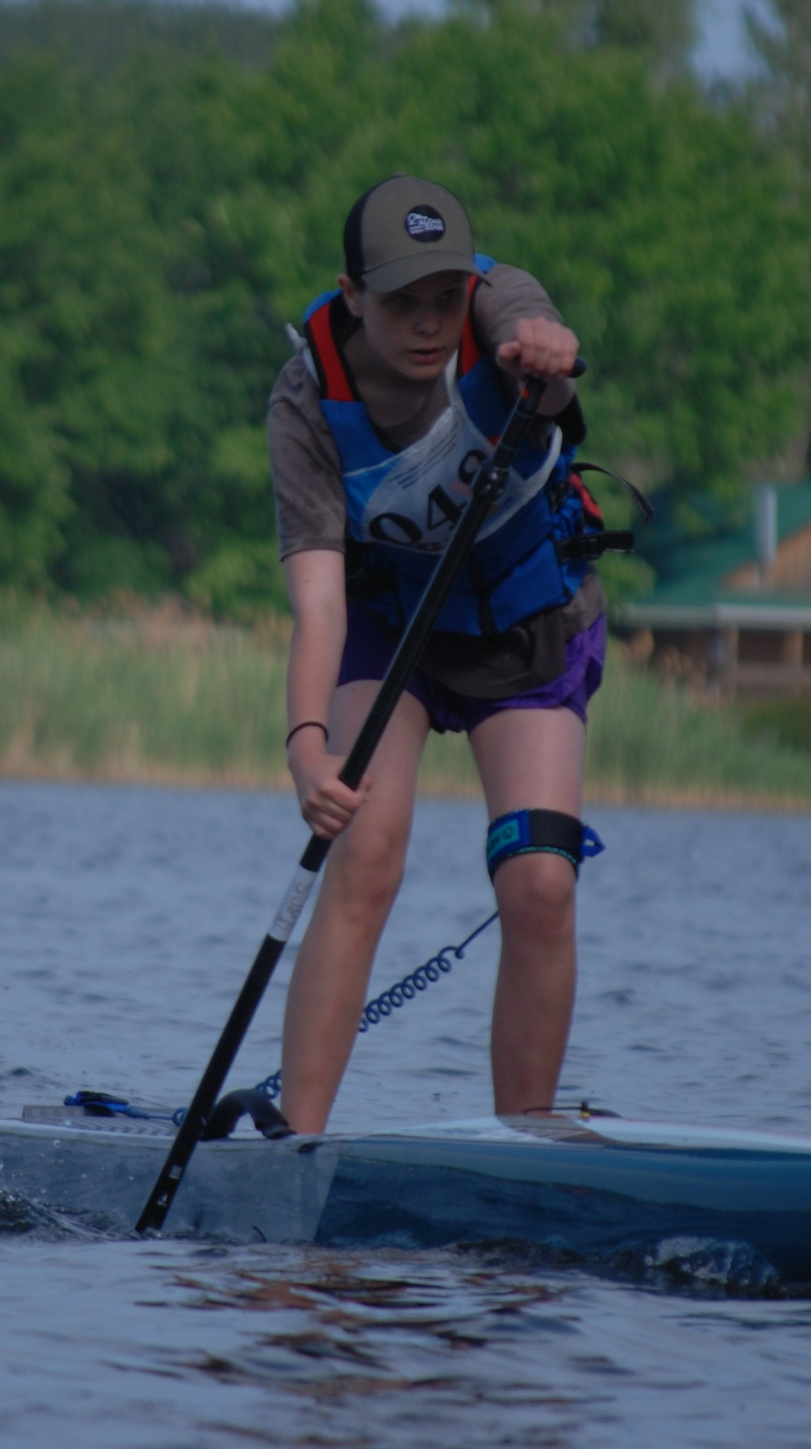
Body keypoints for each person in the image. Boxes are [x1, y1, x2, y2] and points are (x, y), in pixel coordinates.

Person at [268, 176, 623, 1136]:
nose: (429, 325)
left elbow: (547, 367)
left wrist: (549, 361)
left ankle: (526, 1149)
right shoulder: (307, 403)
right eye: (400, 304)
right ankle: (296, 1144)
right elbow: (319, 601)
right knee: (367, 848)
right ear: (351, 293)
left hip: (526, 622)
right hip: (395, 634)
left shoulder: (503, 306)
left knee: (541, 883)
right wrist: (307, 749)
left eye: (444, 300)